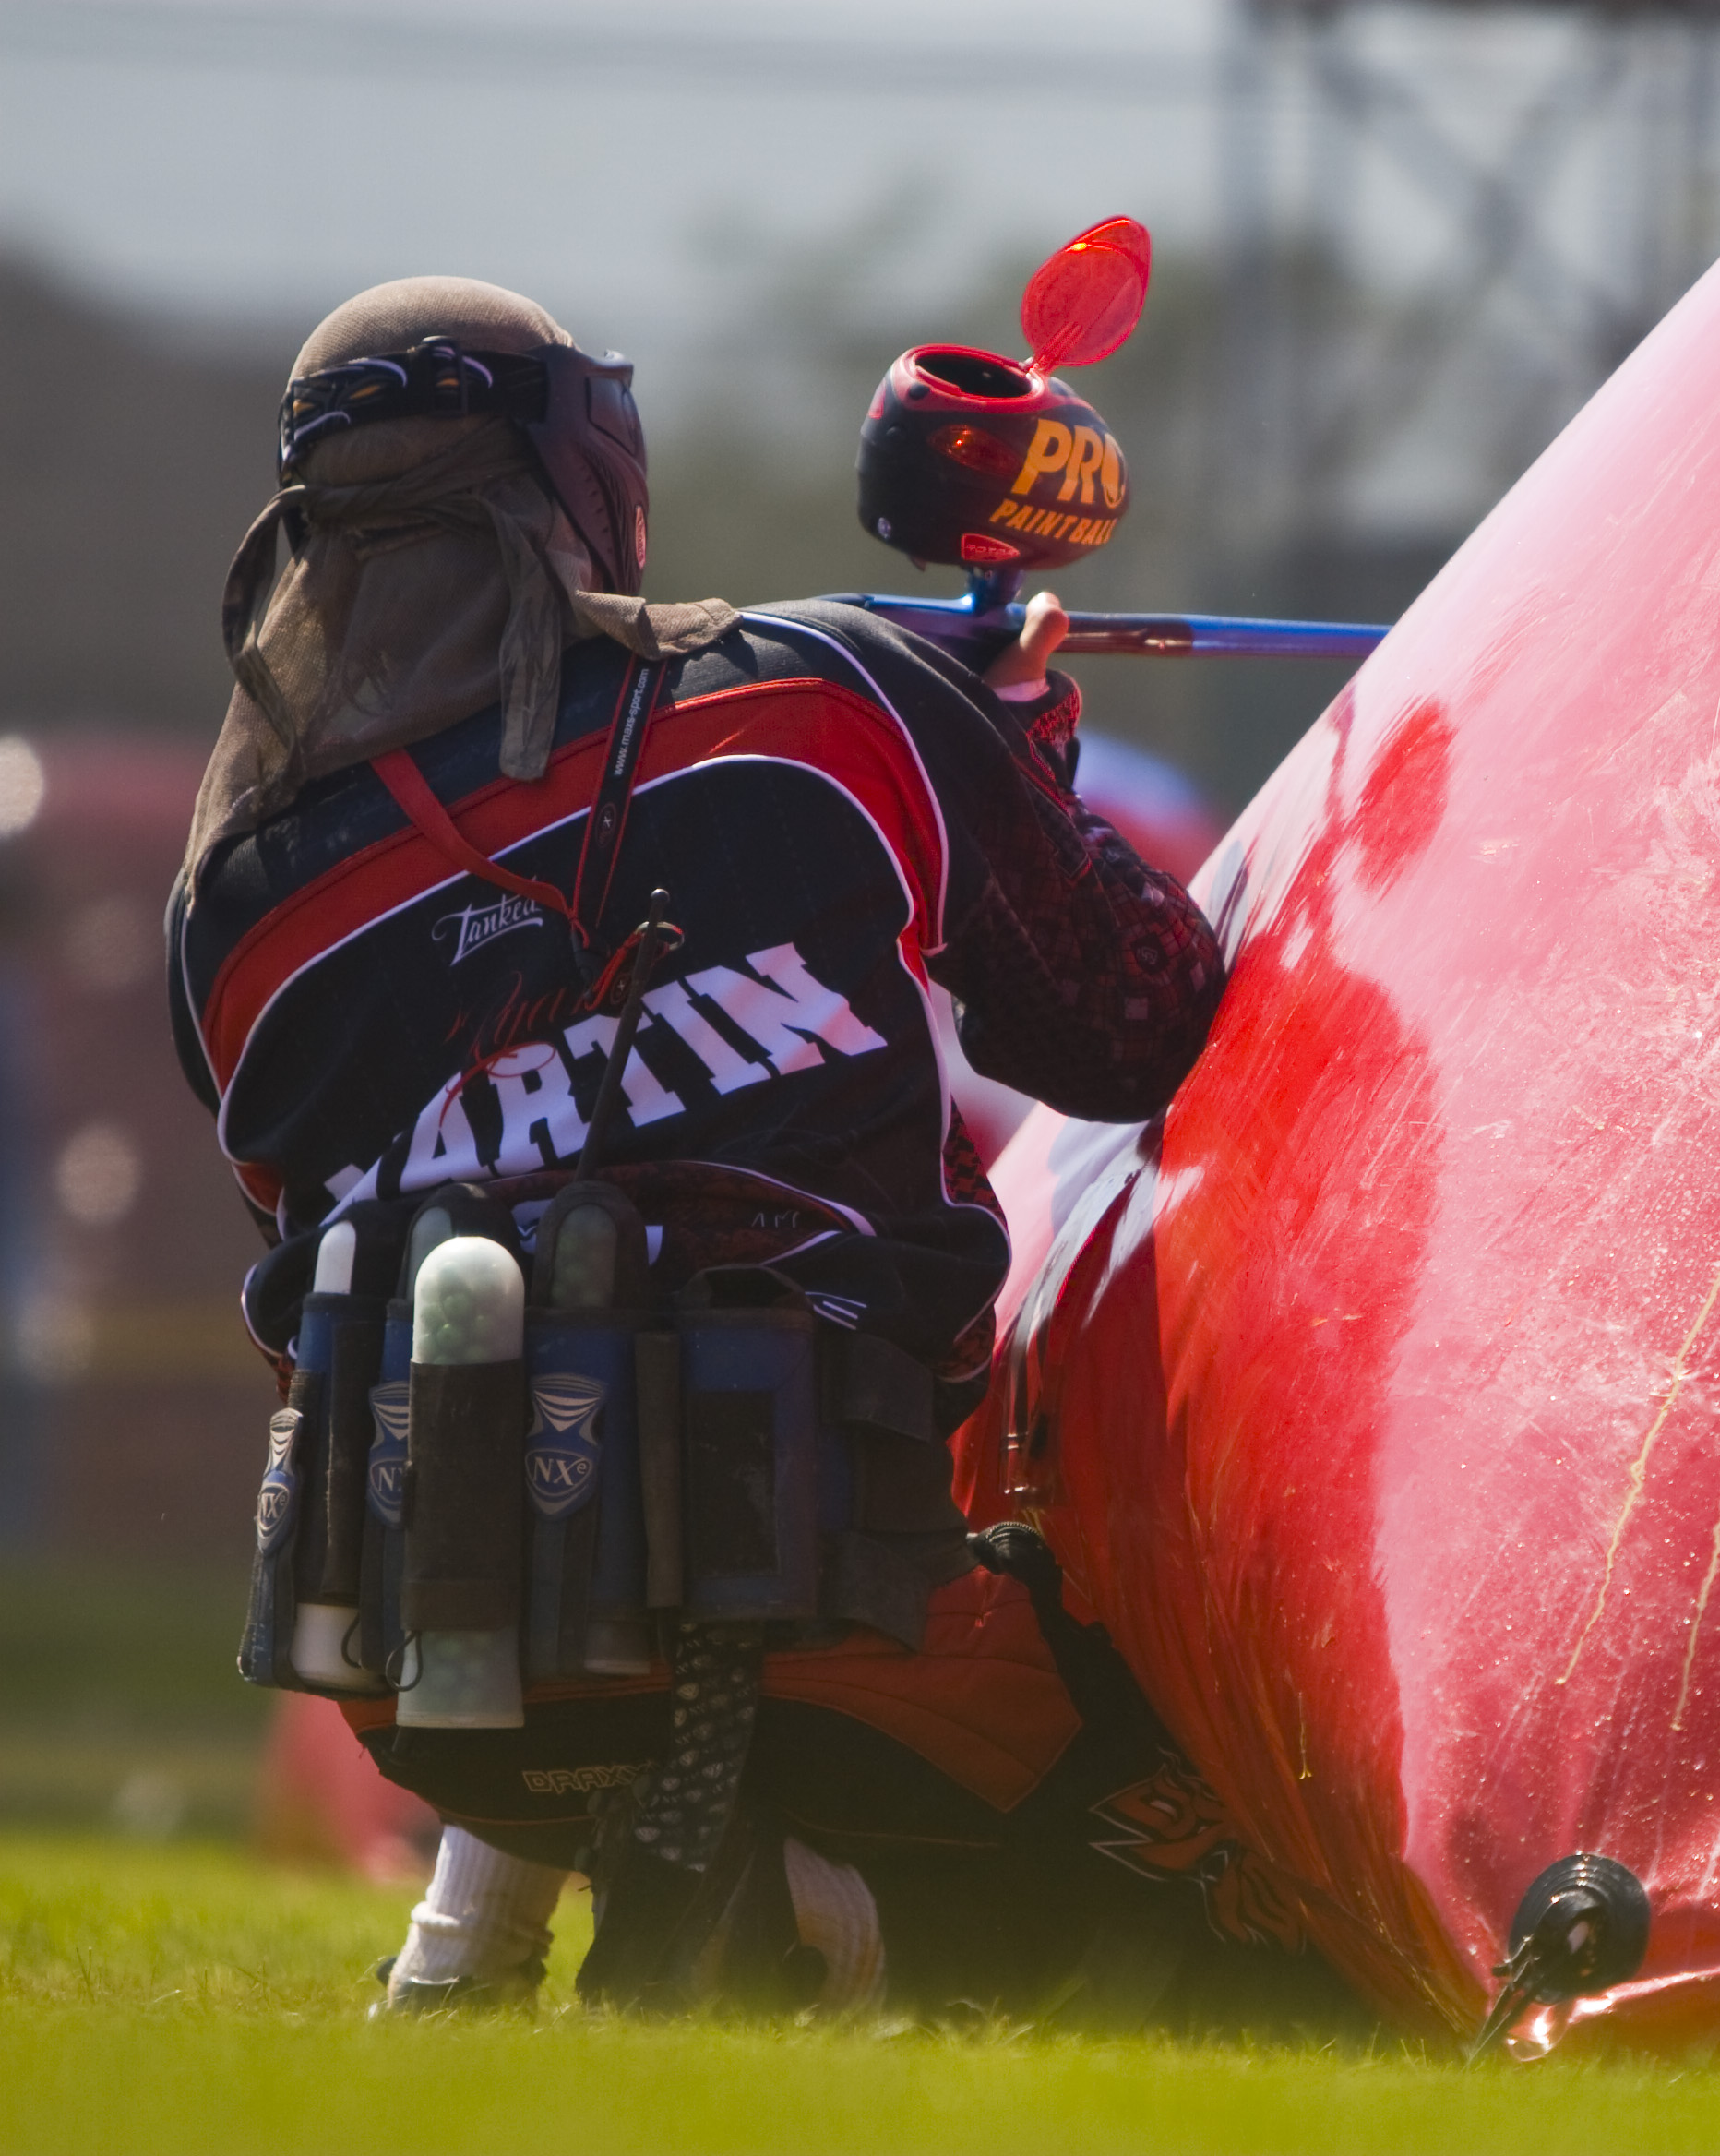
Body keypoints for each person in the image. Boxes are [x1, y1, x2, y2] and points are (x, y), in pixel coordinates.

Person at [172, 277, 1335, 2026]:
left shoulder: (237, 921)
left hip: (436, 1694)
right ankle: (796, 1915)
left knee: (529, 1344)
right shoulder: (818, 708)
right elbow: (1134, 1027)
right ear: (587, 474)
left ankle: (509, 1933)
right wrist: (1016, 749)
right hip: (848, 1623)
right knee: (1261, 1933)